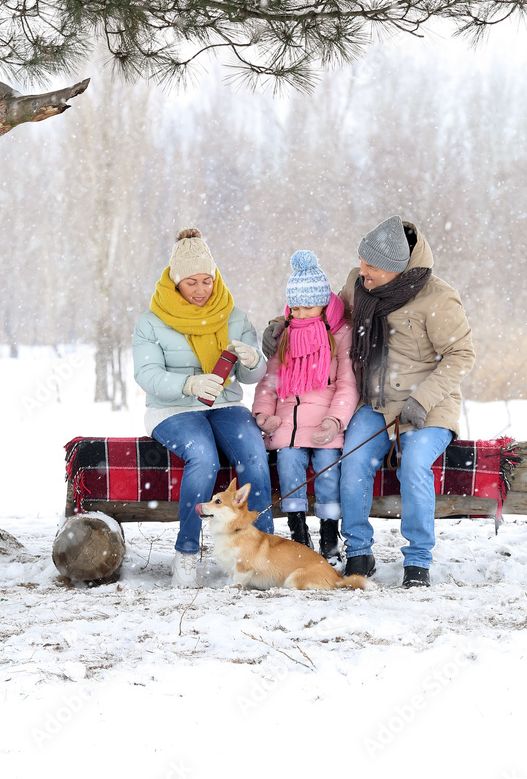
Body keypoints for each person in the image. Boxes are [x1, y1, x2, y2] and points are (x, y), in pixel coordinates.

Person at [265, 217, 475, 588]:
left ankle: (418, 561)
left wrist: (422, 399)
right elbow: (321, 316)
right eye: (361, 262)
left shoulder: (438, 297)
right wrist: (281, 326)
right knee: (354, 460)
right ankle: (359, 550)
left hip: (426, 405)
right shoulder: (356, 284)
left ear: (397, 270)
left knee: (412, 466)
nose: (361, 272)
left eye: (371, 267)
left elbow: (460, 355)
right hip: (375, 403)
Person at [133, 228, 275, 587]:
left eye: (207, 281)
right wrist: (188, 384)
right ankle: (186, 553)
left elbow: (251, 375)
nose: (200, 290)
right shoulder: (152, 321)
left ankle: (263, 551)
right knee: (204, 458)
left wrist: (252, 358)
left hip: (225, 405)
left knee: (253, 457)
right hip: (173, 409)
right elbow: (146, 374)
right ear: (175, 281)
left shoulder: (233, 315)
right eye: (191, 282)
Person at [252, 251, 358, 562]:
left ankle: (329, 535)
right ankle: (298, 534)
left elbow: (347, 385)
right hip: (288, 423)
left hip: (325, 423)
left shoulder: (341, 335)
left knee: (327, 470)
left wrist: (335, 420)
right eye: (295, 308)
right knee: (288, 467)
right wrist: (263, 413)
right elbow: (270, 382)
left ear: (325, 305)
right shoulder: (284, 335)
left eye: (308, 307)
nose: (301, 315)